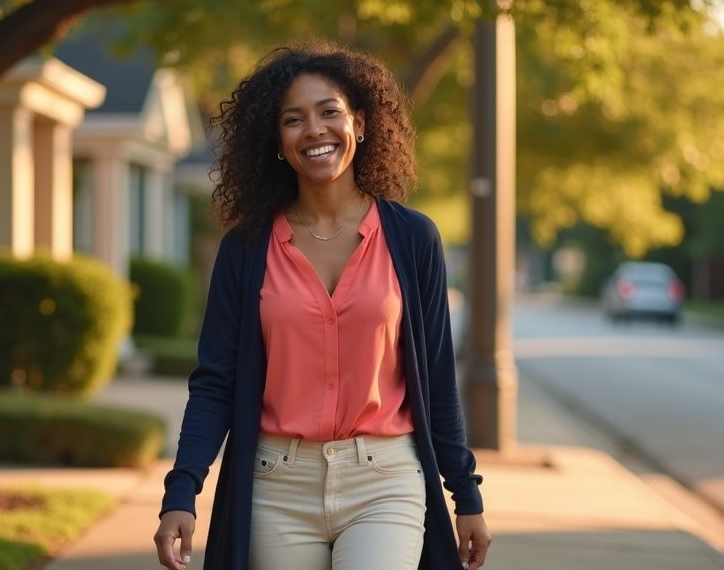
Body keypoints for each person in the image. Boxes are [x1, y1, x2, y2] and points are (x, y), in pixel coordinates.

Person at [154, 40, 491, 570]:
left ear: (359, 123)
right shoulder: (247, 249)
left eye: (329, 112)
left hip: (385, 482)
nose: (315, 129)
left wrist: (465, 495)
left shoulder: (413, 239)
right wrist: (182, 490)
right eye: (294, 119)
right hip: (275, 485)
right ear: (278, 142)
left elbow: (436, 378)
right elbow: (216, 381)